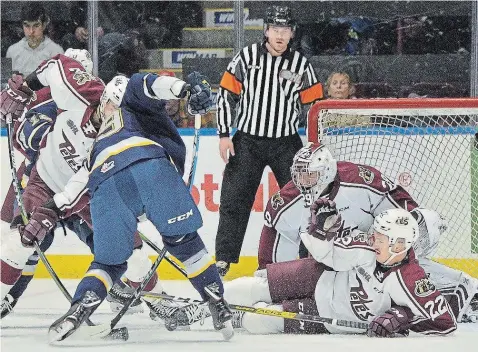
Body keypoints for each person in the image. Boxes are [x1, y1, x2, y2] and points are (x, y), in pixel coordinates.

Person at [1, 55, 234, 341]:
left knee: (131, 252)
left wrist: (56, 209)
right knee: (20, 242)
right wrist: (25, 86)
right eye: (111, 105)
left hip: (90, 192)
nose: (114, 110)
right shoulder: (76, 96)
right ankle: (7, 297)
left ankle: (154, 300)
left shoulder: (114, 129)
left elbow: (87, 178)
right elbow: (55, 68)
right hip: (44, 182)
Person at [257, 142, 478, 322]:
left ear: (325, 173)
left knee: (411, 279)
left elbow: (397, 205)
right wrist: (269, 277)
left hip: (371, 260)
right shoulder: (287, 202)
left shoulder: (360, 180)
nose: (301, 182)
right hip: (326, 265)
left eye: (309, 175)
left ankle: (465, 296)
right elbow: (275, 240)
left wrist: (411, 225)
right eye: (299, 175)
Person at [223, 207, 457, 336]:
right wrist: (321, 234)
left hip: (329, 315)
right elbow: (329, 255)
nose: (372, 240)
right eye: (374, 234)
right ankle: (207, 300)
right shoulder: (367, 246)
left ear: (398, 246)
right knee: (249, 288)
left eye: (381, 238)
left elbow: (446, 322)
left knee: (258, 321)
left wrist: (403, 317)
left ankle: (232, 318)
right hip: (318, 276)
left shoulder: (411, 280)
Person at [215, 6, 323, 276]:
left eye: (284, 30)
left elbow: (317, 107)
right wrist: (224, 134)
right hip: (247, 141)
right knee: (234, 199)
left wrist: (315, 144)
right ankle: (224, 258)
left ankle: (305, 254)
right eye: (275, 29)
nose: (279, 35)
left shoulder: (301, 65)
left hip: (285, 142)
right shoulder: (247, 57)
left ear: (291, 34)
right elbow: (226, 93)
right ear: (266, 30)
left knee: (304, 200)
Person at [5, 2, 63, 76]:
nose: (31, 31)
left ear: (44, 25)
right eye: (27, 25)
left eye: (36, 25)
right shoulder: (12, 51)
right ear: (22, 25)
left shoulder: (57, 52)